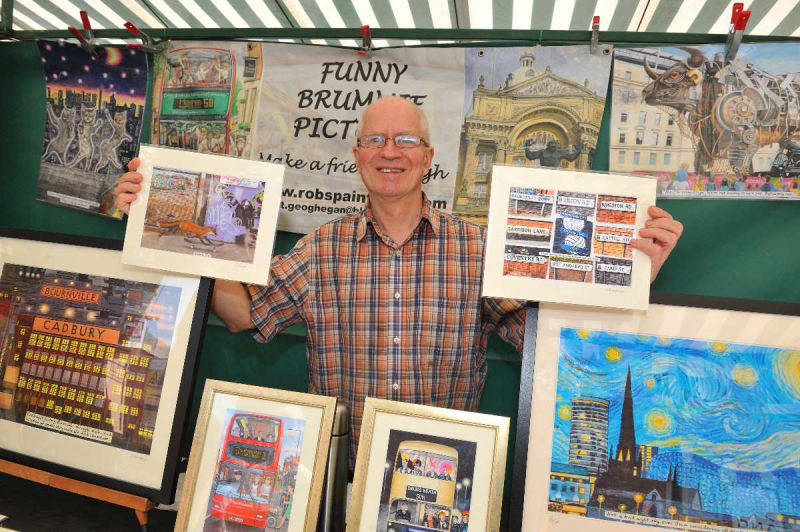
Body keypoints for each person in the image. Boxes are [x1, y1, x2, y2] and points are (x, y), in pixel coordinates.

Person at [113, 96, 683, 467]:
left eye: (406, 140)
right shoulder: (319, 250)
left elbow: (555, 343)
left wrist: (631, 273)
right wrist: (166, 227)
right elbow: (242, 315)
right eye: (376, 140)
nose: (390, 152)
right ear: (357, 154)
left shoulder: (480, 250)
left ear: (428, 156)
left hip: (449, 479)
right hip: (343, 476)